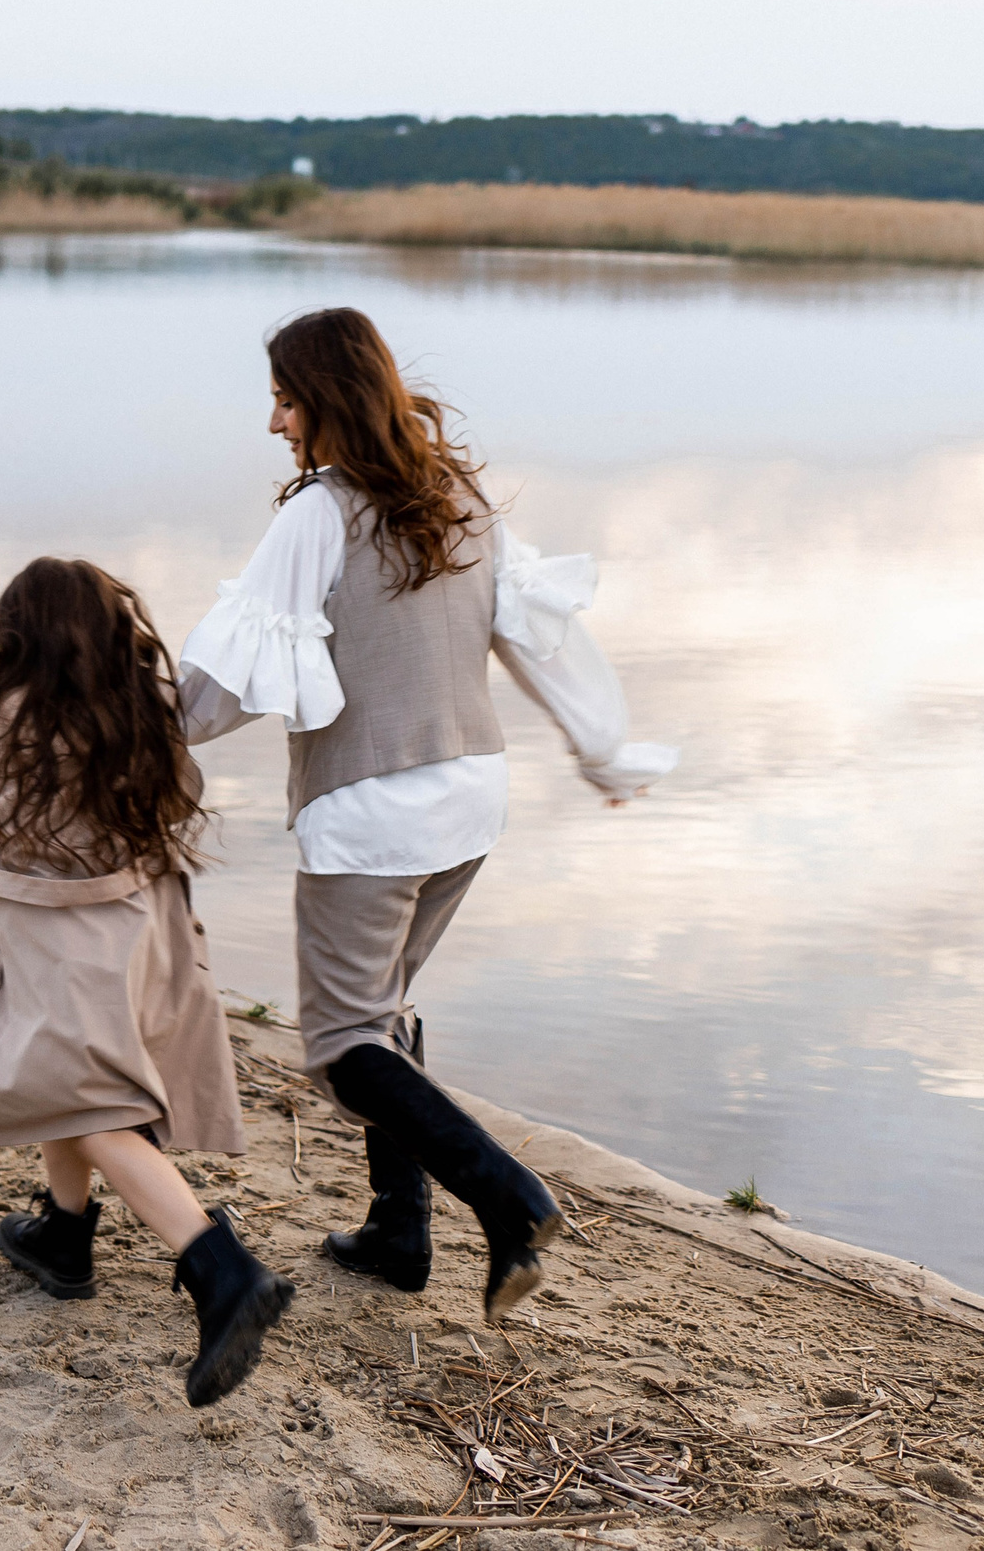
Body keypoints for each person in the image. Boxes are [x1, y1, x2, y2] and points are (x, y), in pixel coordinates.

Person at [178, 307, 675, 1325]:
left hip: (371, 807)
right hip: (470, 799)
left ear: (323, 398)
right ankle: (398, 1232)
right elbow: (537, 643)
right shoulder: (463, 495)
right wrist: (603, 750)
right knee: (386, 1003)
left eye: (282, 398)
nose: (273, 422)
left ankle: (508, 1197)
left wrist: (132, 726)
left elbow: (227, 679)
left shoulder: (318, 514)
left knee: (341, 1045)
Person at [0, 556, 293, 1407]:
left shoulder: (2, 716)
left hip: (54, 936)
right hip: (144, 928)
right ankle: (64, 1236)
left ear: (16, 632)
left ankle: (220, 1268)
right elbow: (180, 798)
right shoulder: (139, 710)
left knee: (92, 1100)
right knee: (68, 1076)